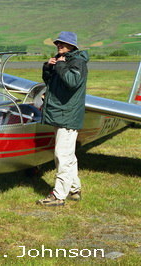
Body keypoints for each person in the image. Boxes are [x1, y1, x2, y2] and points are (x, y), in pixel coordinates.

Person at [37, 31, 89, 207]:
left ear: (72, 46)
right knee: (67, 155)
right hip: (59, 112)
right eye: (58, 43)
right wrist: (48, 67)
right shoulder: (62, 60)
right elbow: (50, 83)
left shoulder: (78, 62)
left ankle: (58, 196)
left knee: (62, 155)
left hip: (67, 114)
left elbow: (72, 81)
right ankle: (74, 189)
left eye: (63, 44)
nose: (60, 46)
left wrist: (60, 65)